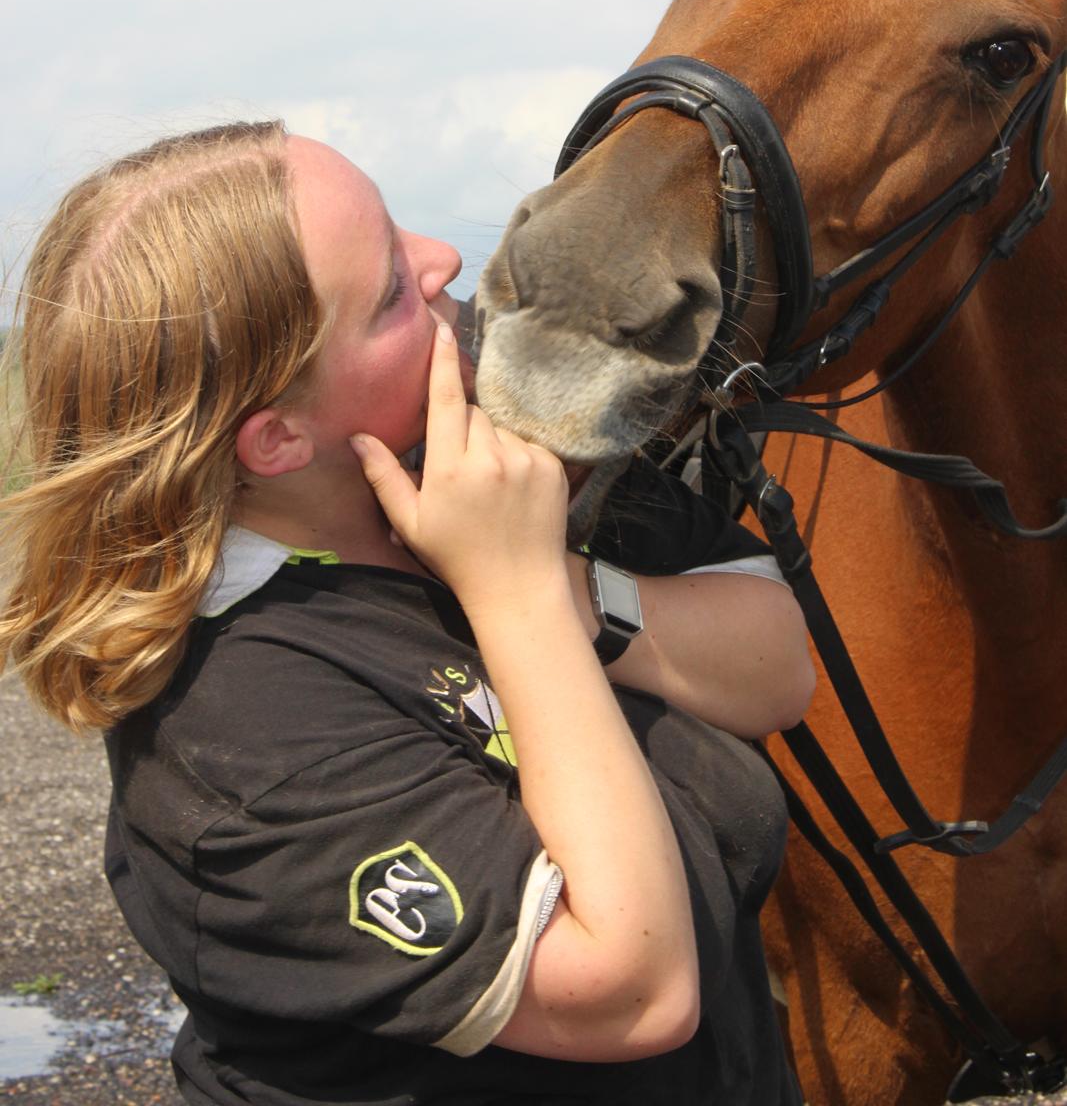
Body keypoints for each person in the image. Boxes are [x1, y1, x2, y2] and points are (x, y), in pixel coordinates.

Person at [0, 120, 813, 1106]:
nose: (448, 260)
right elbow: (629, 993)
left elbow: (778, 666)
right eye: (389, 288)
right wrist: (509, 596)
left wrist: (554, 581)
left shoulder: (491, 454)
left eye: (404, 230)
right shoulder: (242, 733)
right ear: (278, 438)